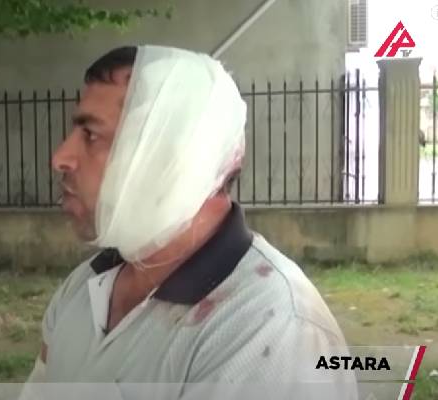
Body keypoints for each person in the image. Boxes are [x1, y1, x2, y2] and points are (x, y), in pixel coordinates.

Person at [24, 45, 357, 399]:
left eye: (91, 135)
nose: (60, 157)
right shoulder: (87, 284)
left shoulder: (270, 332)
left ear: (173, 157)